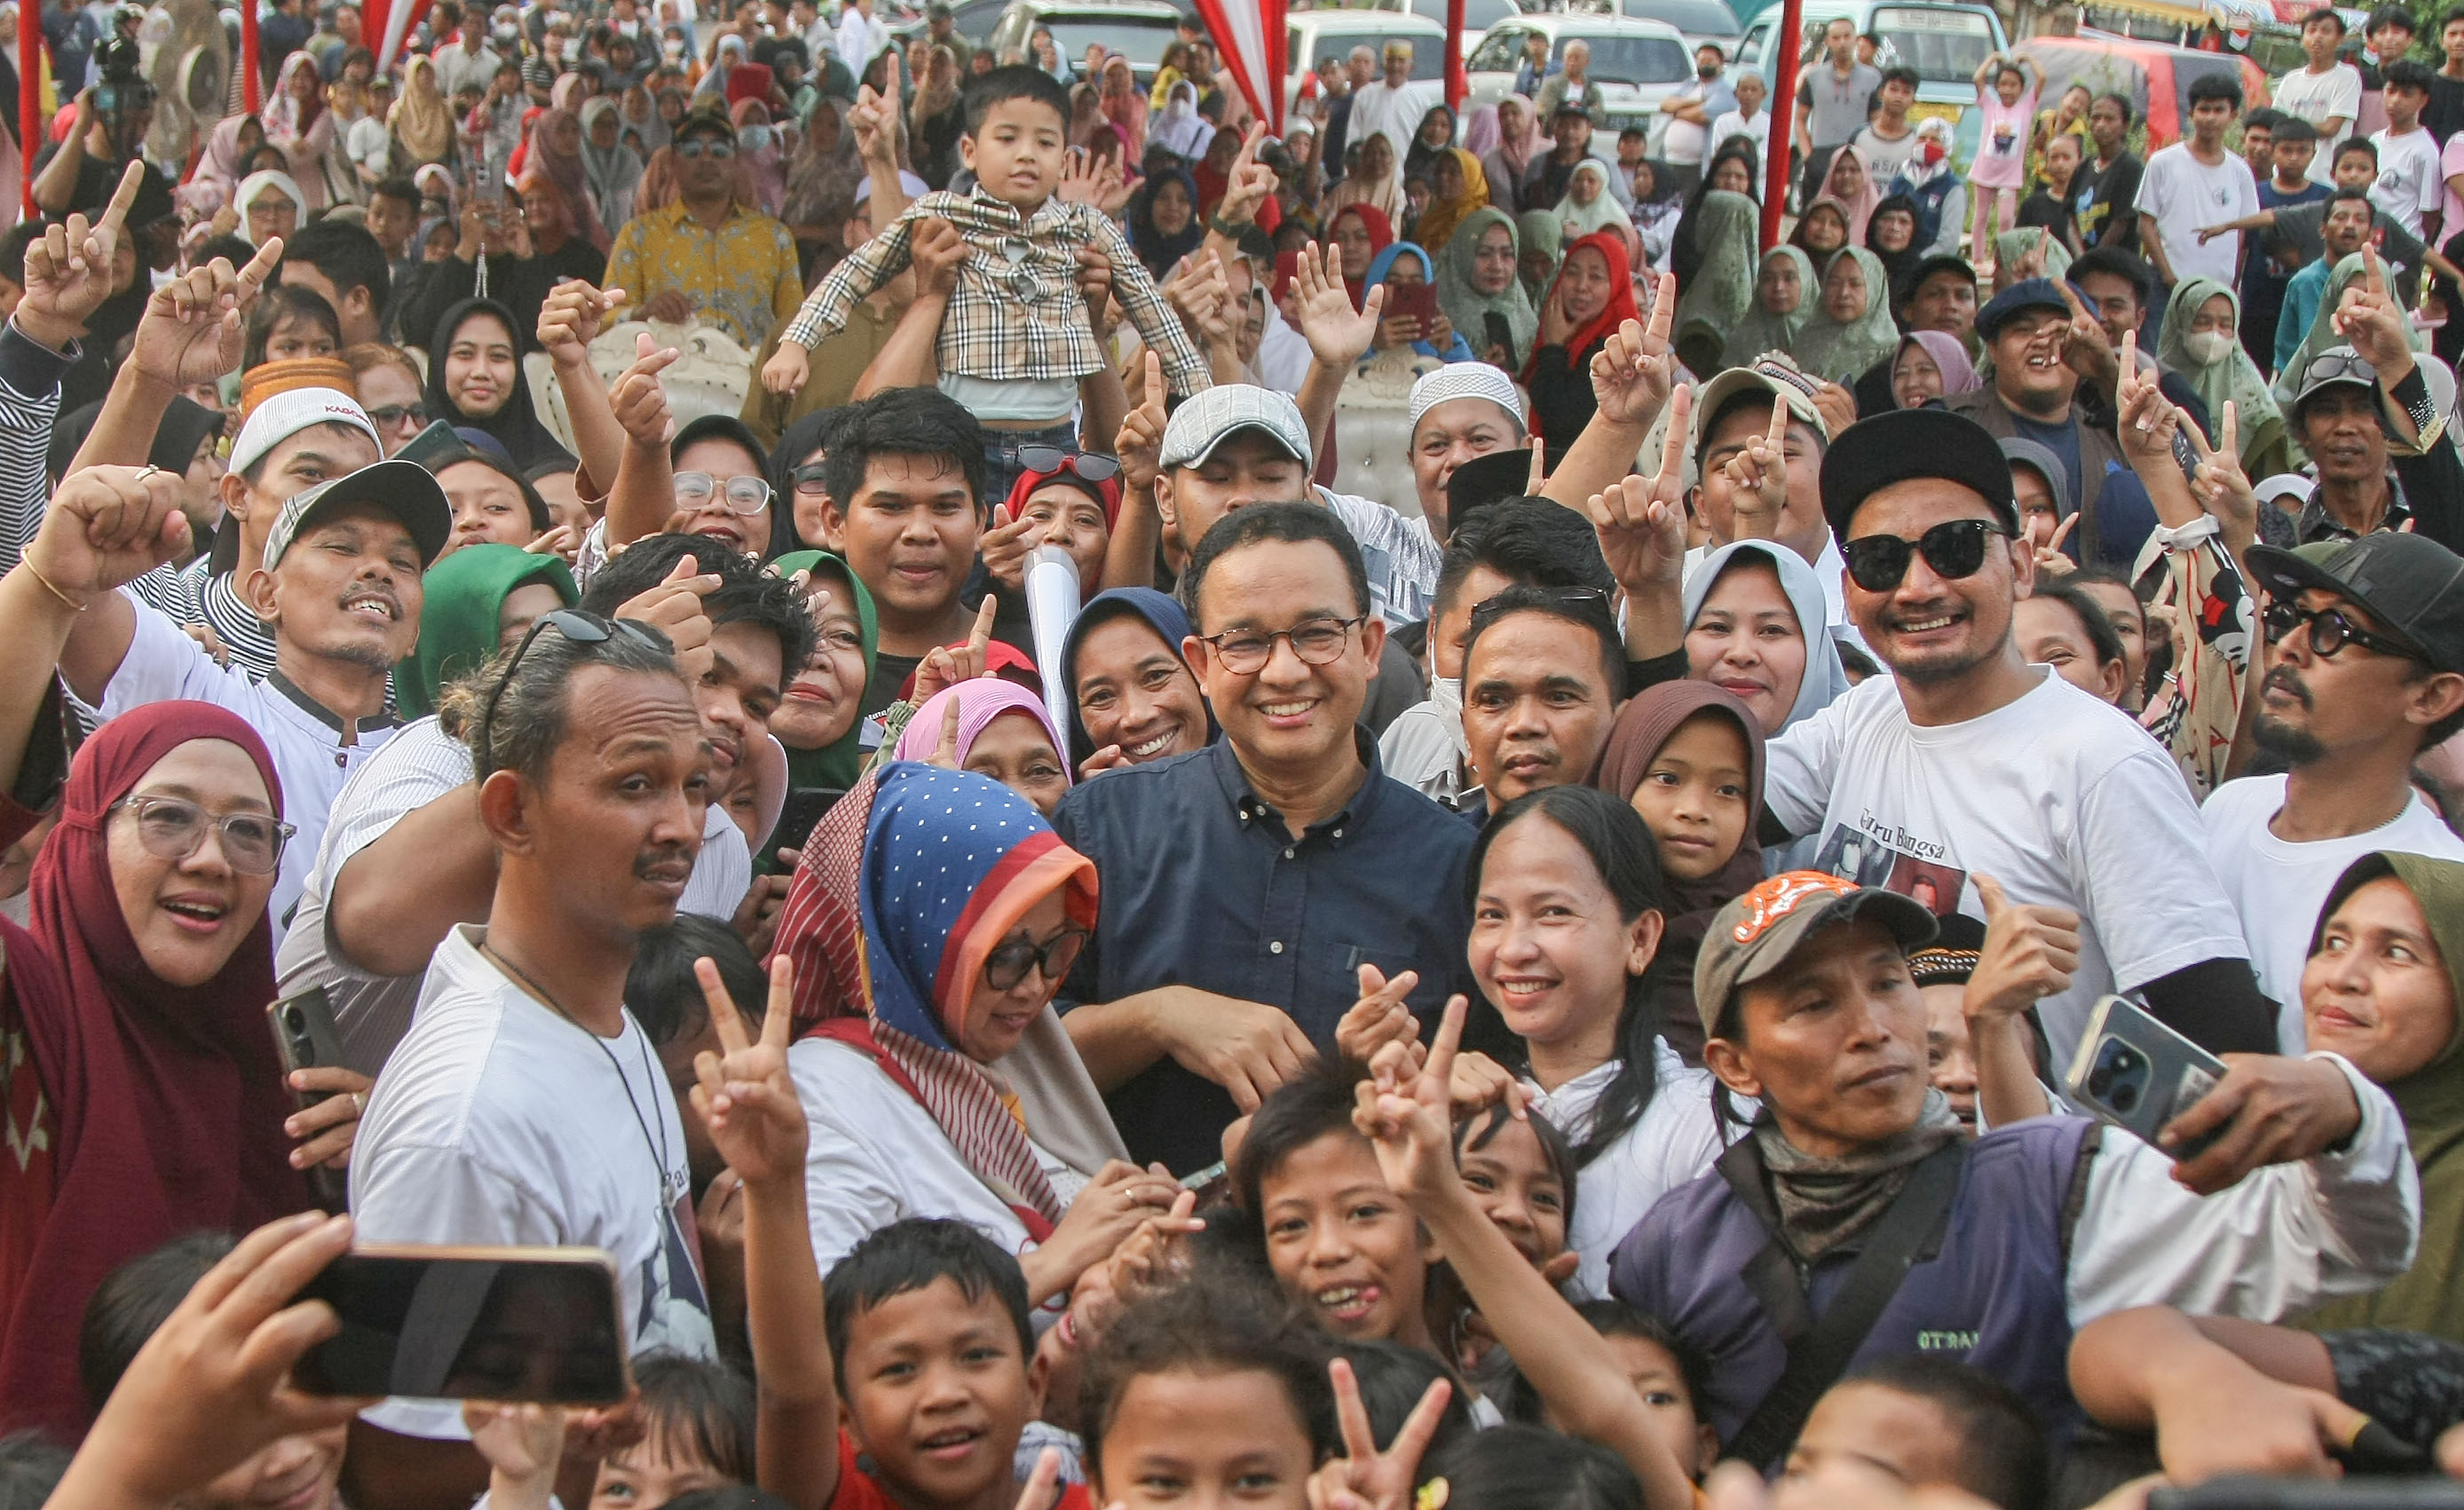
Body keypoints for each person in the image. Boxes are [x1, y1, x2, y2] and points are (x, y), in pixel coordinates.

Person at [1609, 867, 2417, 1464]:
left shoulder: (2056, 1186)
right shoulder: (1670, 1252)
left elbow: (2341, 1247)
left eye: (1887, 983)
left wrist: (2345, 1109)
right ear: (1734, 1063)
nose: (1875, 1028)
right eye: (1815, 1003)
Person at [349, 611, 720, 1472]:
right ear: (511, 811)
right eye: (635, 786)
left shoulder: (605, 1020)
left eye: (693, 785)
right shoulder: (464, 1124)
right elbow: (411, 1478)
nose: (680, 827)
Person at [1050, 502, 1479, 1174]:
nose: (1284, 671)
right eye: (1245, 642)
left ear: (1370, 647)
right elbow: (1020, 1056)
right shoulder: (1101, 827)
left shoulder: (1453, 864)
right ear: (1200, 661)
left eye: (1316, 633)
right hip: (1138, 1251)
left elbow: (1481, 1084)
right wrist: (1160, 1018)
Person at [0, 676, 314, 1438]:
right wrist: (49, 594)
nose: (211, 859)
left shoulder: (279, 1096)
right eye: (167, 817)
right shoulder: (30, 1020)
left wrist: (365, 1171)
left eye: (250, 832)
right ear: (83, 835)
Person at [773, 761, 1175, 1296]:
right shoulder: (822, 1098)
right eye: (1005, 954)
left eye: (1059, 948)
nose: (1035, 987)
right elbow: (823, 1334)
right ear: (916, 936)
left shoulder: (1007, 1047)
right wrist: (1057, 1259)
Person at [765, 67, 1209, 480]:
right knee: (969, 560)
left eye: (1045, 142)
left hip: (1055, 448)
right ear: (970, 151)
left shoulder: (1085, 228)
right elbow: (857, 271)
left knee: (1046, 559)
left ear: (1064, 153)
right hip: (962, 440)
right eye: (1008, 138)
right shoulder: (941, 214)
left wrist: (1201, 395)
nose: (1027, 156)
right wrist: (796, 343)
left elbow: (1155, 314)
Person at [2201, 533, 2464, 1046]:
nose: (2292, 645)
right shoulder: (2230, 809)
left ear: (2432, 697)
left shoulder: (2440, 890)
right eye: (2290, 616)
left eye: (2334, 631)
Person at [1588, 682, 1768, 1069]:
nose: (1695, 810)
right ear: (1622, 773)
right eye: (1668, 779)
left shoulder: (1768, 943)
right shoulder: (1573, 915)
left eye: (1729, 789)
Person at [1940, 279, 2127, 557]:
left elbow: (2184, 478)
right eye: (2023, 330)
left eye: (2060, 332)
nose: (2041, 341)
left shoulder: (2116, 431)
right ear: (1993, 349)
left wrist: (2109, 373)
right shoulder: (1950, 426)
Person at [602, 101, 803, 350]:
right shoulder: (639, 235)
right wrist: (644, 312)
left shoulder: (775, 237)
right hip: (667, 382)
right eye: (692, 150)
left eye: (719, 151)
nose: (706, 159)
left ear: (737, 163)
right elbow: (605, 318)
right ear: (673, 162)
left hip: (754, 383)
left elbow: (797, 326)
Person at [1060, 587, 1213, 774]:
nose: (1137, 716)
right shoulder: (1080, 802)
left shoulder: (1259, 784)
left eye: (1155, 676)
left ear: (1200, 668)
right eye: (1102, 696)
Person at [2136, 73, 2258, 293]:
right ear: (2191, 114)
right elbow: (2146, 223)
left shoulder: (2241, 172)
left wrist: (2232, 284)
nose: (2210, 117)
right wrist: (2168, 276)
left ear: (2233, 115)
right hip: (2167, 286)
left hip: (2217, 290)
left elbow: (2242, 232)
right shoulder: (2163, 162)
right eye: (2204, 109)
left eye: (2219, 110)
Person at [2157, 278, 2290, 480]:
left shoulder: (2255, 401)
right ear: (2180, 322)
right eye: (2202, 322)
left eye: (2225, 324)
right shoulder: (2156, 382)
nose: (2214, 334)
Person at [420, 298, 571, 470]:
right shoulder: (411, 465)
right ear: (440, 363)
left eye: (499, 356)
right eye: (464, 354)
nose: (481, 372)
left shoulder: (555, 470)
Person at [1794, 18, 1881, 210]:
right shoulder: (1814, 77)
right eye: (1836, 37)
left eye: (1847, 36)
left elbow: (1877, 120)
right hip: (1821, 155)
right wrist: (1808, 155)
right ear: (1828, 42)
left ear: (1855, 39)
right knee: (1815, 213)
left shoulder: (1872, 78)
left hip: (1857, 155)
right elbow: (1800, 119)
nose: (1842, 43)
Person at [2276, 7, 2364, 186]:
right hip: (2284, 178)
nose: (2317, 37)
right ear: (2303, 38)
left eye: (2326, 31)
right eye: (2312, 30)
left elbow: (2331, 128)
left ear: (2340, 40)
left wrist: (2291, 125)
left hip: (2324, 179)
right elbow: (2276, 126)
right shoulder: (2290, 80)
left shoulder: (2347, 76)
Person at [1789, 247, 1897, 384]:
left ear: (1874, 288)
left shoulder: (1889, 351)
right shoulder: (1805, 339)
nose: (1843, 293)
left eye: (1855, 284)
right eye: (1834, 283)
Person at [2368, 60, 2440, 246]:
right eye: (2391, 91)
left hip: (2402, 252)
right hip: (2370, 243)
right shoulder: (2375, 140)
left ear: (2424, 100)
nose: (2395, 100)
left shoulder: (2425, 151)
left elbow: (2430, 214)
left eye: (2406, 94)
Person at [1658, 44, 1736, 198]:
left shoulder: (1724, 90)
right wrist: (1695, 101)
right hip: (1671, 159)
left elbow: (1704, 115)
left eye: (1710, 60)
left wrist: (1677, 111)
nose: (1705, 63)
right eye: (1701, 60)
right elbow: (1665, 105)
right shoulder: (1690, 85)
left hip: (1696, 166)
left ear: (1721, 64)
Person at [2076, 93, 2143, 254]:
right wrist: (2079, 256)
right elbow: (2071, 219)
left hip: (2116, 265)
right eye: (2096, 118)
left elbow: (2121, 223)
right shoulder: (2084, 166)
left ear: (2125, 125)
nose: (2100, 125)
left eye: (2109, 119)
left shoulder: (2131, 167)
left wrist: (2093, 260)